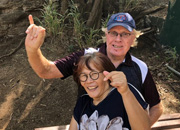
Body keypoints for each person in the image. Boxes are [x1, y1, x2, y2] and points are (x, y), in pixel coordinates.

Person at [25, 12, 163, 126]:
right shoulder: (86, 57)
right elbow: (46, 71)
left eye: (125, 34)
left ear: (133, 38)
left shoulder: (141, 68)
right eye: (113, 32)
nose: (118, 39)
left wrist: (138, 126)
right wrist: (32, 49)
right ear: (106, 35)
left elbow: (156, 107)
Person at [69, 52, 150, 130]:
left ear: (107, 75)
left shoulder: (124, 92)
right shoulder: (83, 102)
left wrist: (125, 92)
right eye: (84, 76)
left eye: (94, 74)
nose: (88, 81)